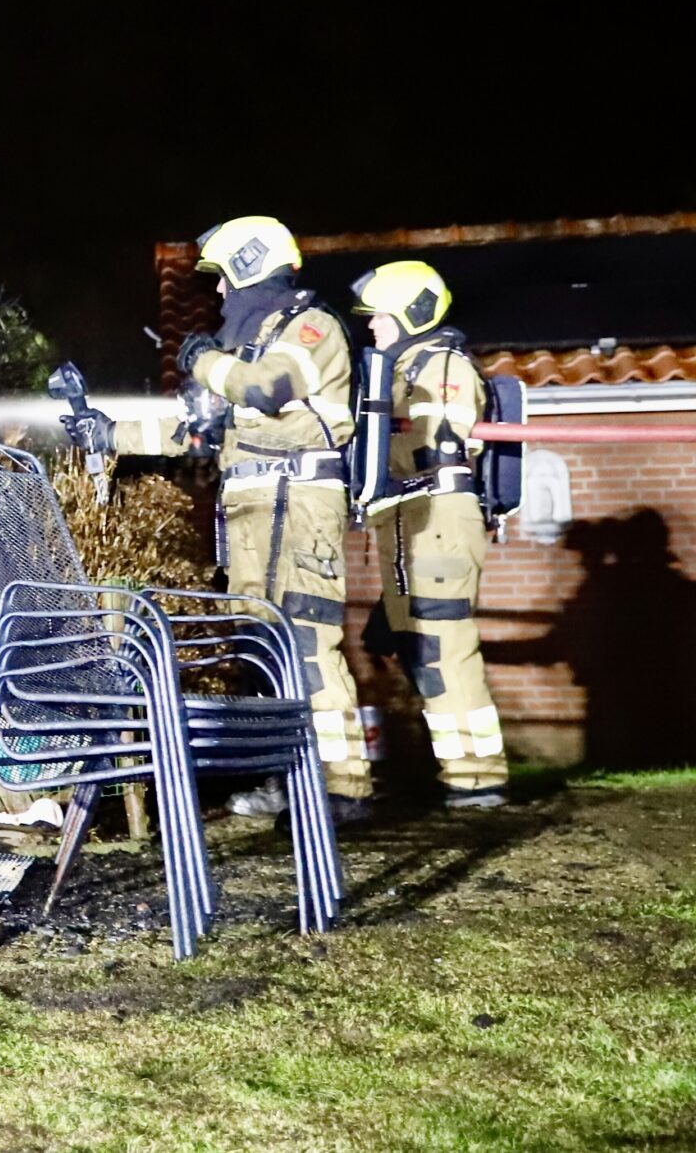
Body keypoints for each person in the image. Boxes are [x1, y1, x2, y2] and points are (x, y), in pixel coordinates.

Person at [70, 215, 370, 820]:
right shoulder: (250, 348)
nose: (221, 291)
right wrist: (109, 433)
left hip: (299, 505)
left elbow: (264, 389)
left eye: (226, 277)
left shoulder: (309, 329)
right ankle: (286, 780)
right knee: (261, 648)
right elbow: (198, 432)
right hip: (253, 512)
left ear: (253, 266)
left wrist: (204, 359)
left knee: (308, 644)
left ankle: (343, 788)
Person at [353, 259, 508, 807]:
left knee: (444, 649)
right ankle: (457, 771)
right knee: (420, 652)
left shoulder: (442, 363)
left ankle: (478, 777)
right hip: (409, 519)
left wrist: (375, 429)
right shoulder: (401, 368)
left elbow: (440, 438)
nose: (372, 325)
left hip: (438, 515)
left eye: (380, 315)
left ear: (411, 313)